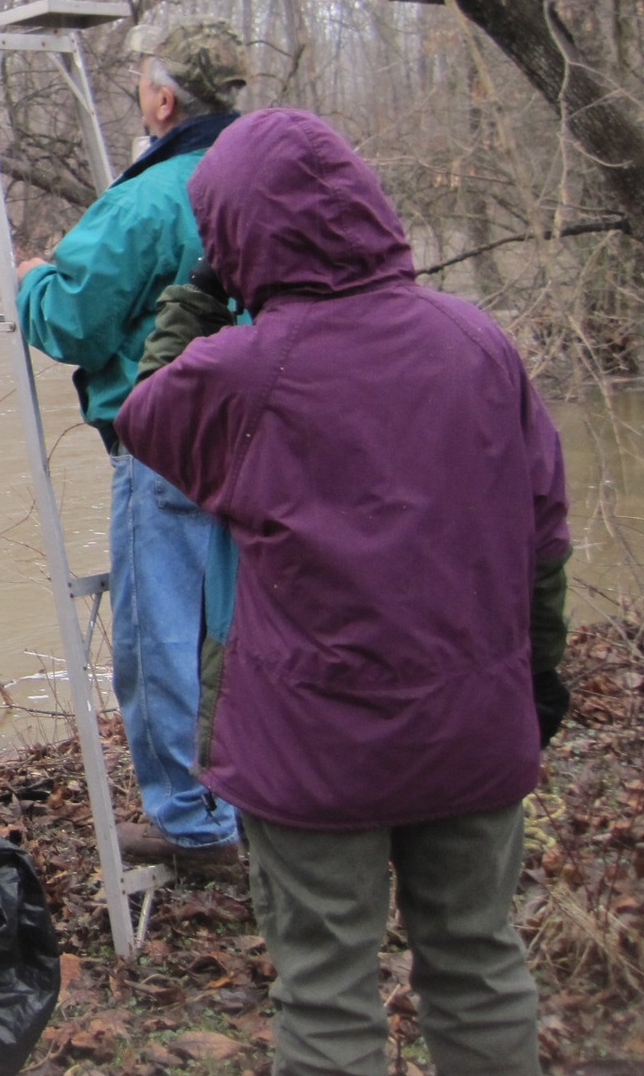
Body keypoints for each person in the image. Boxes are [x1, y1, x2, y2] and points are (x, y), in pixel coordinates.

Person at [116, 108, 570, 1076]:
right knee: (479, 964)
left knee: (324, 990)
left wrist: (199, 295)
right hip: (473, 723)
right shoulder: (475, 342)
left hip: (312, 745)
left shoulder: (244, 371)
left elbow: (142, 414)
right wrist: (537, 683)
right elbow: (542, 535)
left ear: (238, 235)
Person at [14, 21, 248, 866]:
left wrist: (32, 281)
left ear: (164, 99)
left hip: (165, 446)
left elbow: (74, 320)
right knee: (242, 629)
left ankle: (192, 822)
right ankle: (257, 800)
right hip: (263, 441)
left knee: (161, 639)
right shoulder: (261, 179)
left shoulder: (151, 199)